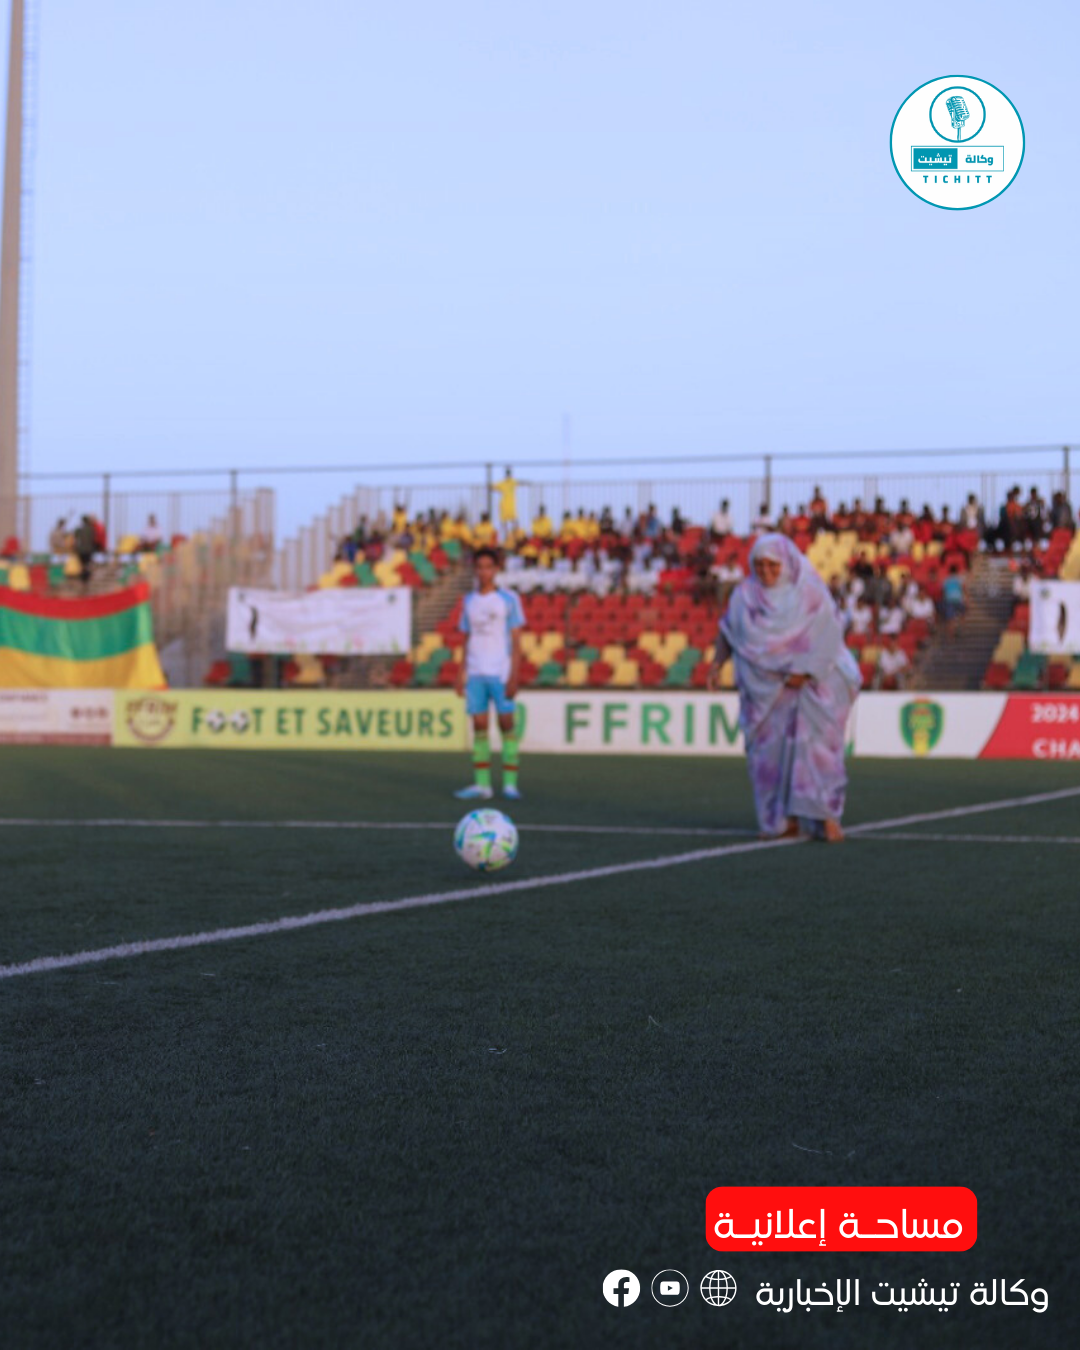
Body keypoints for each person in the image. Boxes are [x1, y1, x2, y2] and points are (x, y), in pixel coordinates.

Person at [707, 533, 860, 843]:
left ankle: (825, 817)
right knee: (768, 756)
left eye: (772, 565)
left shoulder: (810, 592)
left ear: (787, 564)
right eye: (759, 565)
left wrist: (806, 670)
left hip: (812, 684)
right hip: (765, 691)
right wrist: (716, 664)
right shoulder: (744, 597)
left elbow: (829, 634)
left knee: (819, 750)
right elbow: (728, 632)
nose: (765, 571)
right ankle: (780, 822)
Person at [455, 548, 524, 801]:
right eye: (479, 567)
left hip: (500, 672)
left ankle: (510, 785)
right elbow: (466, 638)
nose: (484, 572)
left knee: (506, 725)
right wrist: (460, 672)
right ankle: (482, 785)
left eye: (488, 567)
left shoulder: (508, 599)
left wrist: (514, 675)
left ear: (496, 569)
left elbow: (517, 641)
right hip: (476, 672)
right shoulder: (468, 601)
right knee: (479, 726)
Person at [493, 467, 519, 536]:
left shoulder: (513, 482)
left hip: (511, 504)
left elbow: (520, 482)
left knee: (514, 519)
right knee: (504, 521)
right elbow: (493, 486)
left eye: (508, 474)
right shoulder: (502, 483)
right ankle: (506, 535)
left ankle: (515, 534)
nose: (508, 475)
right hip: (504, 504)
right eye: (507, 474)